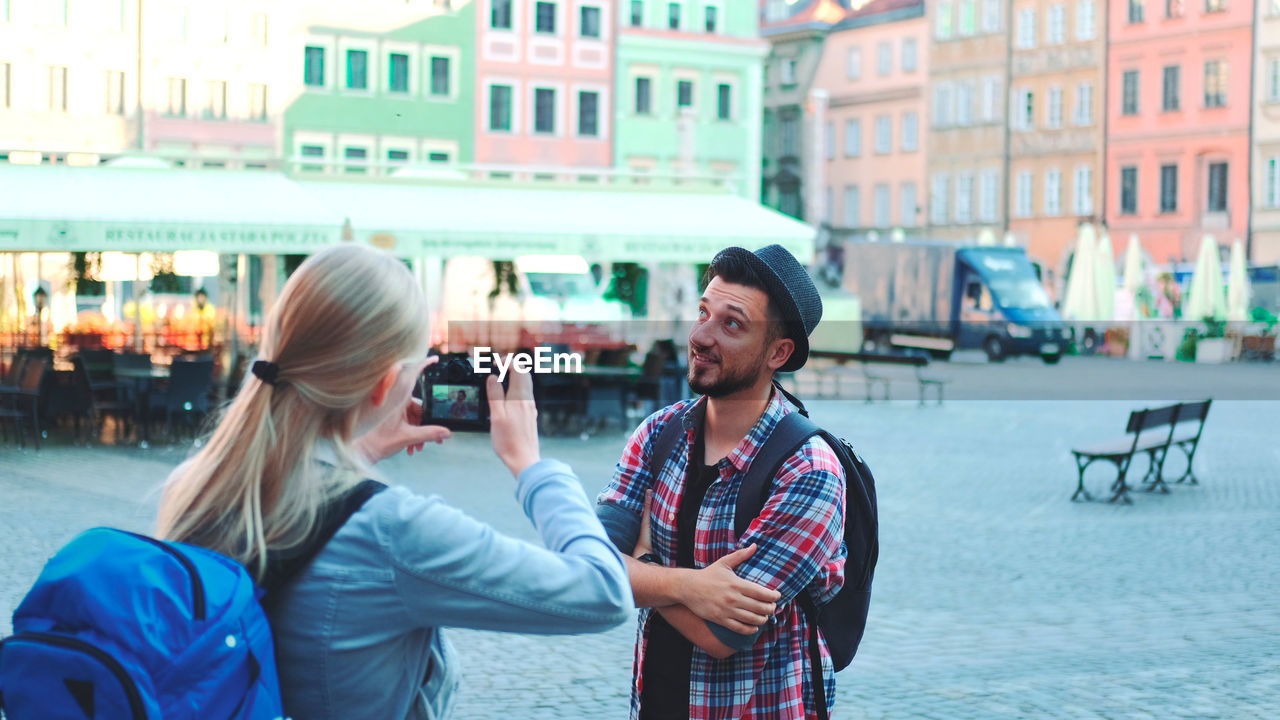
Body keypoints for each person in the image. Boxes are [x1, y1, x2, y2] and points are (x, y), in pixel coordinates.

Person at [155, 244, 633, 720]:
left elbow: (299, 513)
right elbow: (603, 592)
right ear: (386, 384)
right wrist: (530, 464)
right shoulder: (393, 529)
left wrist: (355, 450)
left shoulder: (198, 483)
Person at [596, 245, 847, 719]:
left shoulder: (809, 471)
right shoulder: (658, 434)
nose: (700, 335)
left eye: (731, 324)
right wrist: (694, 588)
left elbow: (723, 636)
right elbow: (590, 565)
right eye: (703, 312)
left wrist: (642, 561)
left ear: (779, 352)